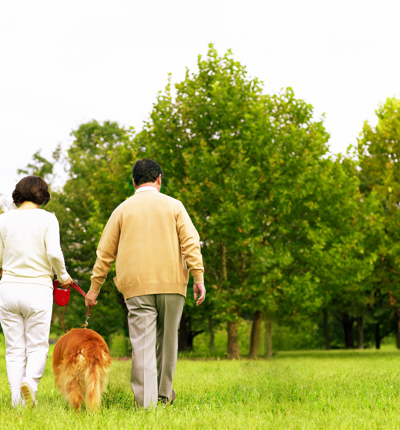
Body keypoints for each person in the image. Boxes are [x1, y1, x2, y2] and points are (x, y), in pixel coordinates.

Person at [85, 158, 206, 408]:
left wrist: (94, 289)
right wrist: (198, 277)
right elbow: (191, 243)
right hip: (172, 284)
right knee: (168, 341)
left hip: (136, 287)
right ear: (159, 178)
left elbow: (104, 253)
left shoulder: (122, 209)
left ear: (133, 183)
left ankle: (145, 403)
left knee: (142, 345)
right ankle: (164, 397)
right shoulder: (175, 206)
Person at [0, 176, 72, 407]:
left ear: (18, 193)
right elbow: (53, 253)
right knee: (38, 346)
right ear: (43, 194)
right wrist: (63, 276)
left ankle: (16, 400)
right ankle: (30, 383)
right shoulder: (48, 219)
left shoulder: (4, 220)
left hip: (8, 288)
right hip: (37, 289)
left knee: (14, 349)